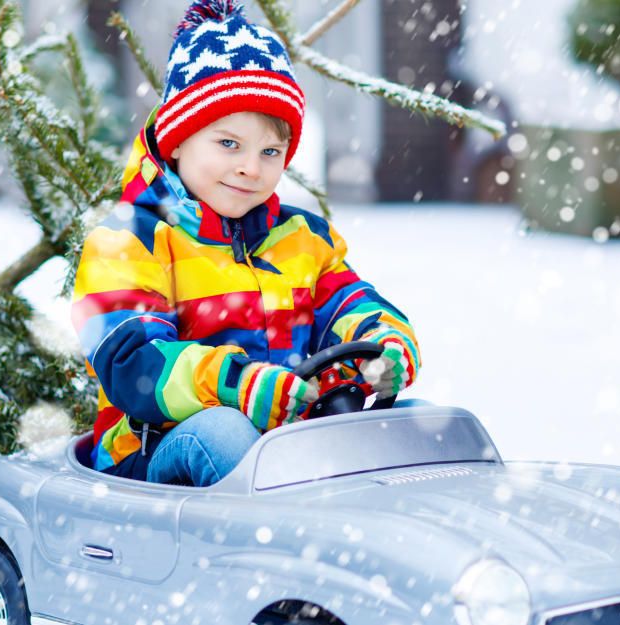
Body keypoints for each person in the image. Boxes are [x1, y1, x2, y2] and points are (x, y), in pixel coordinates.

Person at [70, 0, 420, 487]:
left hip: (287, 451)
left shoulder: (301, 239)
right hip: (154, 457)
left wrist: (385, 342)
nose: (250, 168)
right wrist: (236, 384)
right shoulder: (131, 240)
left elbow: (347, 301)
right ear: (178, 141)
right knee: (224, 431)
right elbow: (132, 362)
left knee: (413, 425)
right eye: (228, 144)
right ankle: (275, 547)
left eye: (270, 151)